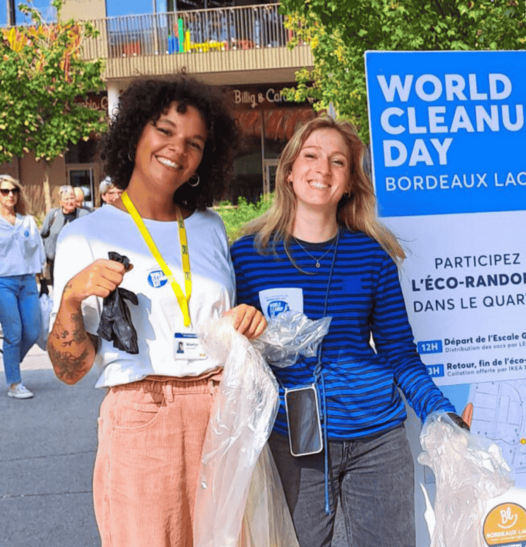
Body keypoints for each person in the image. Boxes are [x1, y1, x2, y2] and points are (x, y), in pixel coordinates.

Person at [46, 77, 267, 547]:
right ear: (134, 135)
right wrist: (70, 298)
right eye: (164, 131)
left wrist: (242, 323)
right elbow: (70, 371)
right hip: (141, 413)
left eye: (194, 143)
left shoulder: (208, 228)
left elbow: (217, 322)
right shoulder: (84, 235)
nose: (177, 149)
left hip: (220, 410)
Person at [231, 116, 472, 547]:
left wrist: (440, 412)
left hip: (376, 439)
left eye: (337, 162)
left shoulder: (372, 254)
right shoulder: (248, 255)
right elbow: (235, 351)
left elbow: (399, 352)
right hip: (293, 438)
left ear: (348, 183)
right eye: (311, 156)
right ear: (288, 171)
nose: (322, 169)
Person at [0, 174, 45, 399]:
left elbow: (37, 249)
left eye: (14, 191)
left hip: (27, 280)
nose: (10, 195)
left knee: (33, 331)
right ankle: (15, 383)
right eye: (5, 191)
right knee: (14, 333)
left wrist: (43, 277)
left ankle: (10, 359)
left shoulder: (26, 220)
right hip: (3, 282)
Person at [40, 185, 89, 285]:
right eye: (66, 199)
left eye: (72, 198)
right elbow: (43, 234)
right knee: (58, 291)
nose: (70, 201)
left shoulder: (84, 214)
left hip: (77, 263)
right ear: (60, 202)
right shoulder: (53, 215)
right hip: (56, 262)